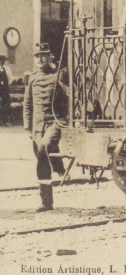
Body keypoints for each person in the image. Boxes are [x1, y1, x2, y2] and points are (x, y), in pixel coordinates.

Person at [23, 44, 66, 211]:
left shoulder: (57, 77)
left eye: (43, 55)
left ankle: (59, 166)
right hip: (37, 126)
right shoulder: (32, 79)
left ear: (50, 57)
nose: (40, 59)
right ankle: (46, 202)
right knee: (41, 160)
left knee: (45, 146)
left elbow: (66, 99)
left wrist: (63, 120)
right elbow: (28, 105)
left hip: (54, 122)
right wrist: (27, 127)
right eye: (37, 56)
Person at [0, 55, 12, 126]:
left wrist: (6, 85)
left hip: (5, 89)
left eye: (3, 60)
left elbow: (10, 78)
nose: (1, 62)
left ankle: (5, 120)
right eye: (0, 60)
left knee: (6, 104)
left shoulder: (7, 69)